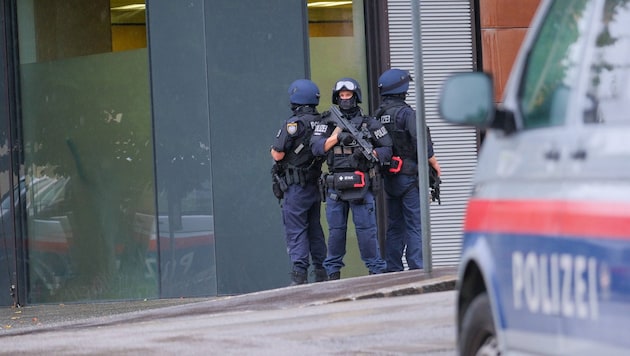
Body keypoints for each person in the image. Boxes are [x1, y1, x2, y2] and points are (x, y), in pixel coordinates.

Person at [311, 78, 392, 279]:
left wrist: (370, 154)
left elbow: (387, 149)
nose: (345, 99)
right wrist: (337, 137)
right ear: (337, 98)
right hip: (335, 186)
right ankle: (332, 274)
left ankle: (376, 272)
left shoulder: (369, 123)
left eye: (348, 95)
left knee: (367, 233)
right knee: (336, 233)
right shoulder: (328, 122)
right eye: (342, 96)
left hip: (361, 185)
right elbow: (316, 147)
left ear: (356, 97)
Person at [374, 68, 441, 272]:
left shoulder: (378, 115)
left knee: (395, 226)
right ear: (402, 89)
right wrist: (436, 166)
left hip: (390, 179)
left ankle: (393, 268)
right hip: (410, 178)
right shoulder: (407, 114)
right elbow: (422, 143)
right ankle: (417, 267)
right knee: (415, 224)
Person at [271, 79, 328, 285]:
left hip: (296, 188)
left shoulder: (293, 124)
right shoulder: (322, 123)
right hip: (314, 186)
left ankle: (299, 274)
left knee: (296, 230)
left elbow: (277, 154)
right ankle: (322, 272)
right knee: (315, 229)